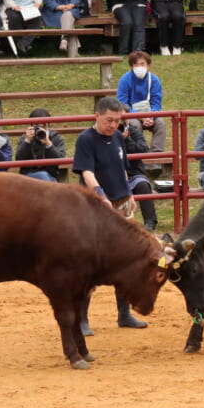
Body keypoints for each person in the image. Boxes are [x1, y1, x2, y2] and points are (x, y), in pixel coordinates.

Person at [72, 96, 150, 330]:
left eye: (118, 120)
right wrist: (100, 195)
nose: (114, 125)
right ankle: (82, 319)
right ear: (96, 116)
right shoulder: (86, 139)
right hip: (96, 207)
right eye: (109, 120)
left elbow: (122, 169)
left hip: (122, 202)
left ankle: (124, 314)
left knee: (125, 260)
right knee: (90, 263)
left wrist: (130, 195)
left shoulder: (118, 137)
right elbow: (87, 172)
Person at [116, 51, 167, 169]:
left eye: (142, 64)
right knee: (134, 126)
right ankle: (138, 157)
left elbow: (156, 103)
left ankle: (155, 158)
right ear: (131, 67)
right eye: (136, 64)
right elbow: (122, 104)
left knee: (160, 124)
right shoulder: (125, 80)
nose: (139, 67)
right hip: (131, 115)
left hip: (149, 114)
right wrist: (140, 116)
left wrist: (151, 116)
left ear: (148, 65)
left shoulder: (154, 80)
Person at [122, 119, 159, 231]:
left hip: (134, 174)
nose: (119, 123)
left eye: (123, 119)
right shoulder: (106, 134)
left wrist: (127, 139)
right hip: (114, 175)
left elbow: (143, 150)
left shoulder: (134, 132)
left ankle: (150, 223)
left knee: (143, 184)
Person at [16, 108, 66, 182]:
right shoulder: (25, 138)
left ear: (48, 125)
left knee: (43, 176)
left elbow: (60, 160)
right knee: (42, 176)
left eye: (44, 126)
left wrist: (48, 143)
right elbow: (19, 159)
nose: (41, 130)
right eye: (37, 127)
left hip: (50, 175)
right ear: (31, 125)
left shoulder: (56, 138)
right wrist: (27, 141)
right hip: (28, 176)